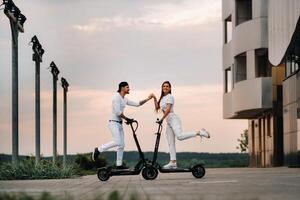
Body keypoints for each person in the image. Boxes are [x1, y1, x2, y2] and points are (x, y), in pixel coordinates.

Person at [92, 81, 153, 170]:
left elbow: (137, 104)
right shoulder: (116, 97)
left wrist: (148, 99)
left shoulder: (124, 98)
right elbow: (118, 112)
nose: (129, 89)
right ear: (122, 88)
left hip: (119, 124)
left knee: (121, 145)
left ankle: (119, 165)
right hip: (113, 123)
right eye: (127, 87)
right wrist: (127, 119)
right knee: (117, 141)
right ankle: (98, 150)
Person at [152, 81, 210, 169]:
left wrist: (161, 119)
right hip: (168, 121)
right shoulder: (163, 98)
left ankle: (200, 132)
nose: (165, 87)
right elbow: (157, 108)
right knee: (170, 142)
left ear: (170, 88)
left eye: (167, 86)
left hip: (173, 119)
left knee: (180, 136)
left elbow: (167, 110)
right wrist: (154, 98)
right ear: (162, 88)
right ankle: (173, 162)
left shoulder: (170, 97)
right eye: (164, 86)